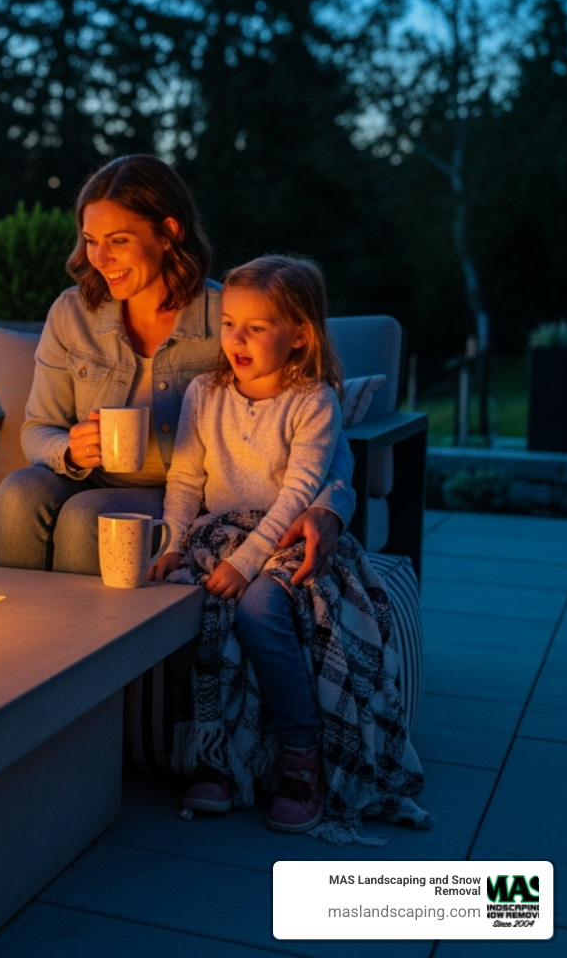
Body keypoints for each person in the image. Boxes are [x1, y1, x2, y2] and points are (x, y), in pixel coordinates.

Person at [149, 255, 429, 842]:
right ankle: (216, 756)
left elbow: (301, 491)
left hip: (283, 534)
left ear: (298, 333)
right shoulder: (205, 392)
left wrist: (246, 564)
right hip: (219, 532)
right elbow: (185, 480)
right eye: (229, 324)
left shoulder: (312, 402)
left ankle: (303, 760)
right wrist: (174, 542)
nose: (237, 339)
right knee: (183, 603)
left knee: (258, 607)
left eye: (256, 326)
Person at [0, 154, 355, 580]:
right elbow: (37, 430)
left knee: (85, 519)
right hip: (88, 477)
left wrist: (330, 506)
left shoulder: (230, 316)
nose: (99, 258)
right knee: (17, 492)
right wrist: (68, 449)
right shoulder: (72, 314)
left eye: (118, 240)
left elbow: (323, 424)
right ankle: (14, 635)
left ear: (168, 233)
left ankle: (95, 643)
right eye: (91, 240)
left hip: (179, 493)